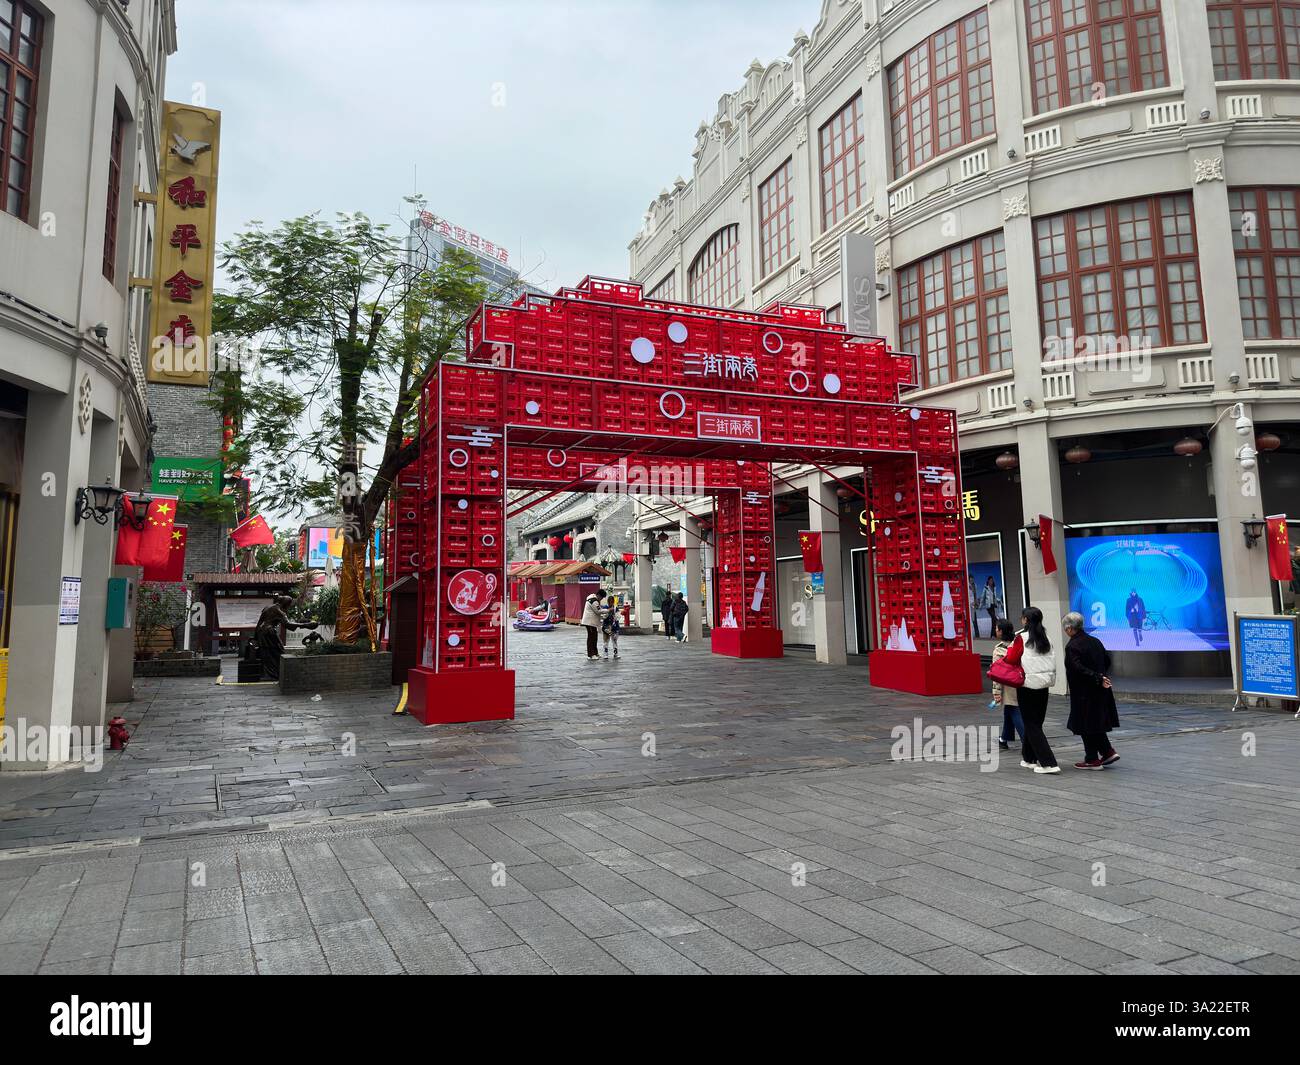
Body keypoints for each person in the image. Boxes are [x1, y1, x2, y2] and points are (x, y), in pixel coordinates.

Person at [1003, 606, 1059, 774]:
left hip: (1027, 685)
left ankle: (1048, 763)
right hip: (1044, 685)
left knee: (1031, 724)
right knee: (1035, 722)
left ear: (1025, 620)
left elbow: (1011, 658)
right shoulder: (1046, 637)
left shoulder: (1021, 637)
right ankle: (1029, 758)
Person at [1063, 612, 1120, 770]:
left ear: (1069, 628)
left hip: (1083, 692)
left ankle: (1092, 759)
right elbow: (1107, 660)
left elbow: (1076, 668)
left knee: (1084, 724)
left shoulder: (1073, 646)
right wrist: (1101, 676)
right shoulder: (1095, 641)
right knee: (1094, 723)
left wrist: (1095, 676)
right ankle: (1107, 751)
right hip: (1099, 690)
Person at [990, 619, 1024, 752]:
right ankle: (1004, 738)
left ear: (1001, 631)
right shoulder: (1018, 644)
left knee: (1014, 711)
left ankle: (1027, 740)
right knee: (1009, 710)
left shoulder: (999, 649)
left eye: (997, 628)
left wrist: (996, 693)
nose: (995, 630)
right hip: (1021, 681)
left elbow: (997, 674)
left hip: (1008, 686)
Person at [580, 592, 601, 660]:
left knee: (594, 637)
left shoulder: (592, 599)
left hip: (592, 622)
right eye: (602, 598)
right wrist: (608, 610)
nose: (601, 599)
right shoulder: (594, 601)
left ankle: (595, 653)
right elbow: (598, 611)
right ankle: (590, 654)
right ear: (599, 595)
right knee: (591, 637)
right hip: (589, 622)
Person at [600, 593, 621, 659]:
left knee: (614, 641)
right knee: (606, 641)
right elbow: (603, 617)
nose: (611, 603)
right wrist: (608, 612)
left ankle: (615, 654)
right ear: (608, 601)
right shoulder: (605, 608)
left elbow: (618, 617)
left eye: (612, 601)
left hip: (614, 627)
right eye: (609, 601)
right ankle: (605, 654)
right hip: (606, 627)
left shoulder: (615, 608)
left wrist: (614, 614)